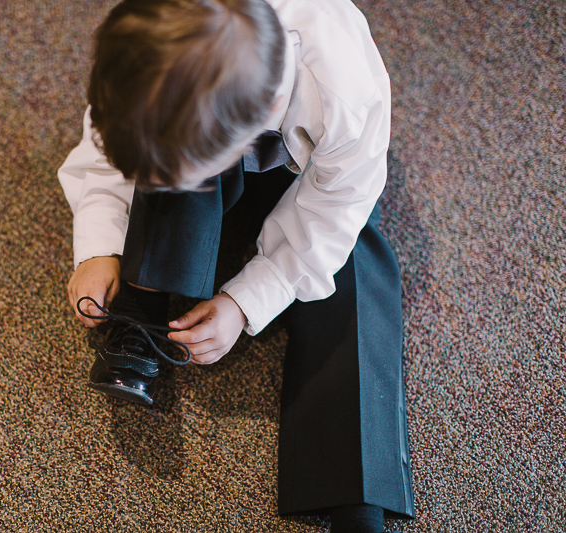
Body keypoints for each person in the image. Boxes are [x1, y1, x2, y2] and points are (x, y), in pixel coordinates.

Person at [57, 0, 415, 530]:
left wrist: (246, 301)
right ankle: (142, 301)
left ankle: (355, 491)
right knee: (167, 158)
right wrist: (100, 244)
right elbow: (109, 147)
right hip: (208, 121)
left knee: (352, 261)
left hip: (315, 175)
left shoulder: (347, 95)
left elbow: (329, 218)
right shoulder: (148, 49)